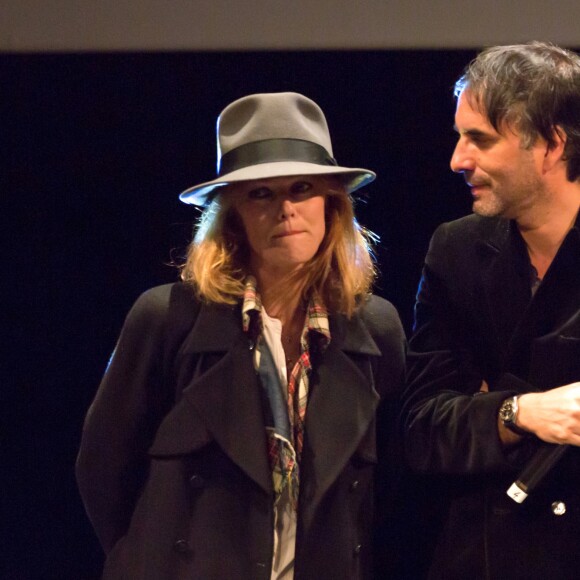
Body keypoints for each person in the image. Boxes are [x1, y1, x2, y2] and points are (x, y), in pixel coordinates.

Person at [76, 92, 407, 579]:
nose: (285, 209)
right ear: (232, 214)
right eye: (261, 193)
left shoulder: (375, 328)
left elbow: (395, 497)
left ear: (332, 205)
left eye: (301, 187)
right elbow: (102, 470)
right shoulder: (167, 319)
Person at [403, 42, 580, 579]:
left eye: (479, 139)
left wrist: (482, 401)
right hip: (485, 556)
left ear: (550, 146)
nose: (458, 159)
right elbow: (421, 428)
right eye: (460, 137)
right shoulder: (455, 251)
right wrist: (519, 412)